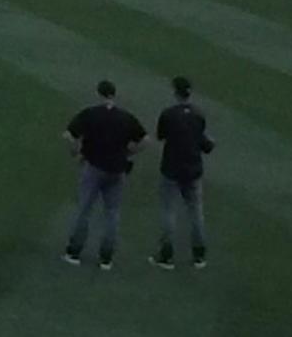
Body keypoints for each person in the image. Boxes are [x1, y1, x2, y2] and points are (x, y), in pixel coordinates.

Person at [63, 79, 149, 269]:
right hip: (117, 170)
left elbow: (69, 135)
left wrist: (76, 154)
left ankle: (74, 252)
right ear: (114, 95)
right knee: (112, 213)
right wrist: (128, 153)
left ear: (98, 94)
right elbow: (145, 140)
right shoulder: (125, 117)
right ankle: (106, 257)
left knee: (84, 209)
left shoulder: (91, 113)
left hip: (94, 167)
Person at [153, 76, 215, 270]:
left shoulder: (169, 114)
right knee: (196, 213)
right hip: (193, 169)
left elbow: (160, 136)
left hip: (171, 169)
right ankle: (199, 255)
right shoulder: (199, 114)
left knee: (169, 211)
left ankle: (166, 255)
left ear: (175, 92)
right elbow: (202, 141)